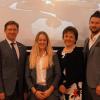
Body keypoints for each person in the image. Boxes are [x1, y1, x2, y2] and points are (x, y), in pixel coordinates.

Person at [25, 31, 61, 100]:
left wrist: (50, 90)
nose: (42, 42)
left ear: (47, 42)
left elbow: (58, 74)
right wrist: (35, 92)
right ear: (36, 41)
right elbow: (27, 76)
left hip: (50, 90)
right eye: (40, 40)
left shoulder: (53, 56)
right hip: (35, 90)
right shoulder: (30, 57)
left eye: (44, 40)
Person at [0, 21, 27, 100]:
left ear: (17, 31)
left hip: (20, 90)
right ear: (5, 31)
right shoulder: (0, 46)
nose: (12, 32)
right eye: (10, 29)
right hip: (6, 90)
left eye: (14, 29)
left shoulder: (23, 48)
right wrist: (0, 91)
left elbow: (25, 70)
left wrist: (25, 90)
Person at [57, 26, 84, 100]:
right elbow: (57, 71)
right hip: (61, 88)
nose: (68, 38)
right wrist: (60, 85)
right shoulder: (59, 52)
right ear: (63, 37)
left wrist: (65, 85)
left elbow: (79, 72)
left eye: (71, 37)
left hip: (74, 87)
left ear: (75, 39)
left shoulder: (78, 52)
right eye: (66, 36)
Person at [83, 10, 100, 100]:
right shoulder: (87, 40)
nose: (94, 25)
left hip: (97, 86)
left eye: (97, 23)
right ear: (89, 23)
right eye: (92, 22)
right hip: (86, 84)